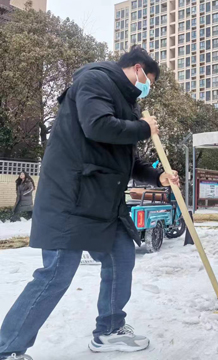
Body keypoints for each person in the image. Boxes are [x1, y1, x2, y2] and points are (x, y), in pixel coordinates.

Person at [0, 46, 180, 360]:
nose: (146, 88)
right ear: (138, 69)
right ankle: (8, 348)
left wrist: (158, 176)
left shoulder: (127, 103)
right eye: (148, 81)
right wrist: (143, 128)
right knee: (56, 273)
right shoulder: (95, 80)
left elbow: (127, 159)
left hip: (103, 201)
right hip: (71, 196)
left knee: (121, 257)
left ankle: (109, 330)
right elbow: (96, 125)